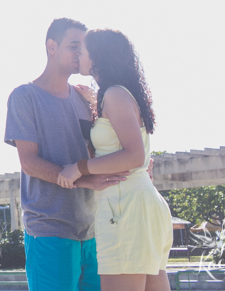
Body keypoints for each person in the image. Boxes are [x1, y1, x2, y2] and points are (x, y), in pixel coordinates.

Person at [5, 18, 129, 291]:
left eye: (83, 48)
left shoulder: (88, 99)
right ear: (52, 46)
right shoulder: (24, 96)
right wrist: (85, 179)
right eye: (74, 46)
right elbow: (29, 163)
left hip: (94, 231)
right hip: (50, 229)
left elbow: (102, 152)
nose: (80, 54)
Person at [57, 29, 173, 291]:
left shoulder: (115, 95)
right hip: (139, 203)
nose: (78, 55)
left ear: (97, 57)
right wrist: (94, 101)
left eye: (83, 51)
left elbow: (134, 155)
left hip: (126, 207)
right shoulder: (116, 95)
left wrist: (79, 168)